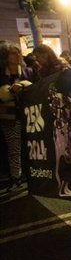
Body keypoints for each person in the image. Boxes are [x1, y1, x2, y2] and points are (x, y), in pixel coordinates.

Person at [0, 42, 32, 191]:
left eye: (18, 52)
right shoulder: (1, 74)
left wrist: (24, 85)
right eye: (13, 53)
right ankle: (16, 177)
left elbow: (36, 87)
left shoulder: (27, 71)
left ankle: (27, 174)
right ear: (6, 57)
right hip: (9, 116)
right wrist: (10, 91)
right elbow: (3, 97)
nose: (17, 55)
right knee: (14, 148)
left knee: (29, 146)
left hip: (28, 115)